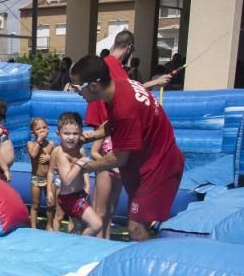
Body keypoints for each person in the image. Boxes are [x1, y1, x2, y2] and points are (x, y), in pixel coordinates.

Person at [70, 54, 185, 241]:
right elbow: (114, 122)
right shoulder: (121, 87)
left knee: (136, 228)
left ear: (93, 86)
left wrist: (85, 166)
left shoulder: (125, 109)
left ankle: (149, 269)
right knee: (138, 226)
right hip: (151, 165)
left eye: (77, 87)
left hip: (158, 170)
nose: (75, 91)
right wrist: (92, 136)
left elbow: (118, 158)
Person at [51, 112, 102, 236]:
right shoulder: (61, 153)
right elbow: (67, 180)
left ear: (81, 134)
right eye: (66, 133)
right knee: (96, 224)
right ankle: (81, 246)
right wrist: (79, 163)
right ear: (58, 134)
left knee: (79, 227)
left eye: (75, 133)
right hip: (70, 198)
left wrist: (87, 185)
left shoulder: (80, 150)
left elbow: (83, 171)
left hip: (77, 194)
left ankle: (70, 247)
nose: (71, 137)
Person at [25, 117, 56, 230]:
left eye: (44, 128)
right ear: (33, 132)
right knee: (35, 205)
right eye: (39, 129)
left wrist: (50, 158)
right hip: (36, 179)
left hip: (49, 179)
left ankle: (49, 225)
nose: (42, 130)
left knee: (50, 204)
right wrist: (39, 141)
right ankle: (33, 227)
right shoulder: (30, 143)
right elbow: (33, 155)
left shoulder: (52, 144)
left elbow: (58, 162)